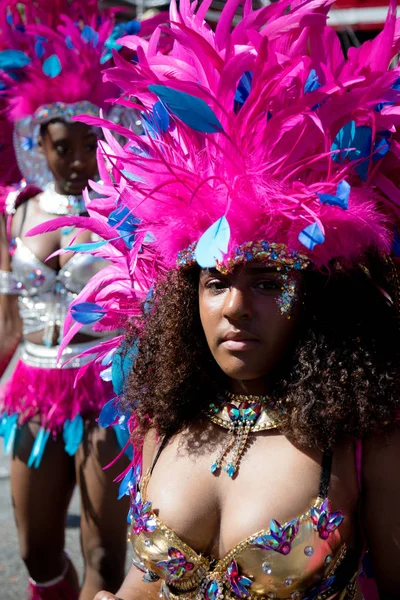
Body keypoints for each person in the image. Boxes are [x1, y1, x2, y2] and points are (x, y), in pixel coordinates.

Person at [37, 1, 400, 598]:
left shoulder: (360, 438)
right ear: (187, 297)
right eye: (216, 281)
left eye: (267, 281)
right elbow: (145, 583)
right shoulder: (162, 418)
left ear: (315, 296)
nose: (235, 307)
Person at [0, 2, 149, 597]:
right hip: (36, 386)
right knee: (37, 551)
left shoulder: (127, 206)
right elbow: (8, 320)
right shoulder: (14, 210)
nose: (79, 160)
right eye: (64, 146)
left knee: (105, 557)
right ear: (39, 141)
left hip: (107, 387)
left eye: (91, 142)